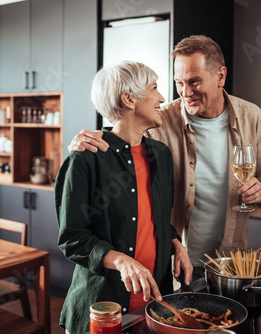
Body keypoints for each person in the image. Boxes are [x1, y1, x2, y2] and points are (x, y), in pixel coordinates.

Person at [68, 35, 261, 277]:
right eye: (179, 83)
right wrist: (84, 142)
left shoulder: (252, 117)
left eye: (194, 82)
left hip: (230, 261)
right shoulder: (160, 119)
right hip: (175, 263)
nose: (185, 92)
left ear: (220, 76)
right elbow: (123, 132)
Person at [55, 61, 193, 333]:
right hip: (102, 306)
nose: (162, 98)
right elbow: (72, 239)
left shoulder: (161, 155)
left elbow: (156, 220)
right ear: (129, 99)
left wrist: (176, 243)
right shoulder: (85, 159)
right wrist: (121, 260)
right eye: (154, 88)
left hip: (153, 305)